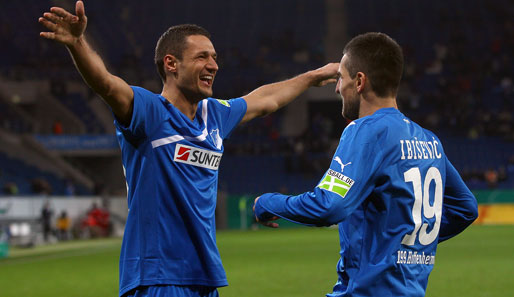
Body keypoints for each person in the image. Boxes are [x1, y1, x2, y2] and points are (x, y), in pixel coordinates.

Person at [38, 2, 338, 297]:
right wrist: (77, 44)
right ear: (171, 64)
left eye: (215, 57)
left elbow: (264, 100)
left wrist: (311, 78)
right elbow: (106, 84)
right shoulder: (151, 112)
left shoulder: (214, 114)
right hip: (158, 277)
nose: (214, 65)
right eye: (202, 57)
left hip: (204, 277)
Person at [253, 32, 478, 297]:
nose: (337, 88)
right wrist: (402, 246)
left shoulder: (365, 131)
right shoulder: (430, 141)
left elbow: (330, 205)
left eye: (341, 79)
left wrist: (267, 203)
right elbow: (466, 208)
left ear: (359, 81)